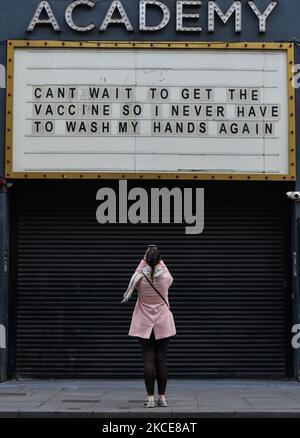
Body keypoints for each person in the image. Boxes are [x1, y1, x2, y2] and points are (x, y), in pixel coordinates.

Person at [121, 245, 176, 408]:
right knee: (162, 359)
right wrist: (156, 258)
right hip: (162, 321)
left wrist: (144, 259)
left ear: (145, 260)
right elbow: (165, 270)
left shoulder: (139, 278)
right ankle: (163, 397)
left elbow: (140, 270)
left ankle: (150, 398)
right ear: (159, 260)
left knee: (148, 359)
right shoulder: (165, 278)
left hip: (144, 322)